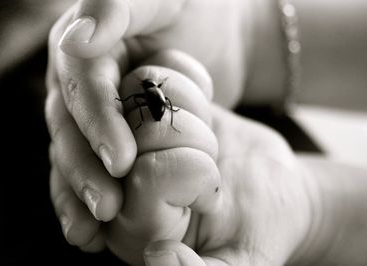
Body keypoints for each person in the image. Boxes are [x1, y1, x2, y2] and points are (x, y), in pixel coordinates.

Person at [45, 0, 367, 265]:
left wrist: (316, 210)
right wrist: (244, 33)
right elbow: (155, 100)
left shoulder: (148, 93)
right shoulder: (155, 88)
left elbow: (145, 103)